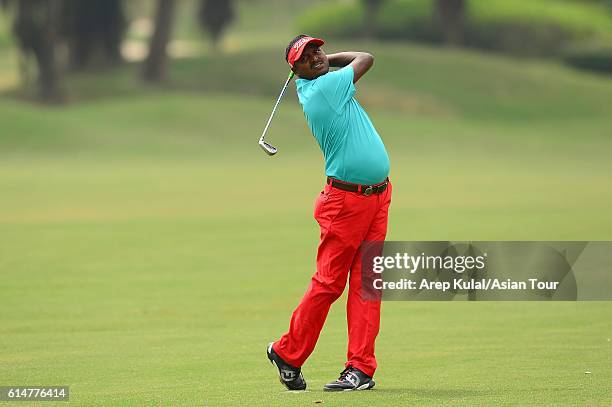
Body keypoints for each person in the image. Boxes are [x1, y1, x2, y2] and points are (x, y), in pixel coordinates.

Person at [267, 34, 392, 392]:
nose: (317, 57)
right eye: (306, 57)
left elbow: (357, 60)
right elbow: (366, 57)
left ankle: (360, 369)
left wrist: (323, 59)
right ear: (297, 70)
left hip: (377, 197)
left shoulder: (323, 83)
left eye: (317, 50)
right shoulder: (324, 90)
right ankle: (288, 352)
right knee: (329, 283)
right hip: (346, 203)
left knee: (367, 283)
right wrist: (334, 59)